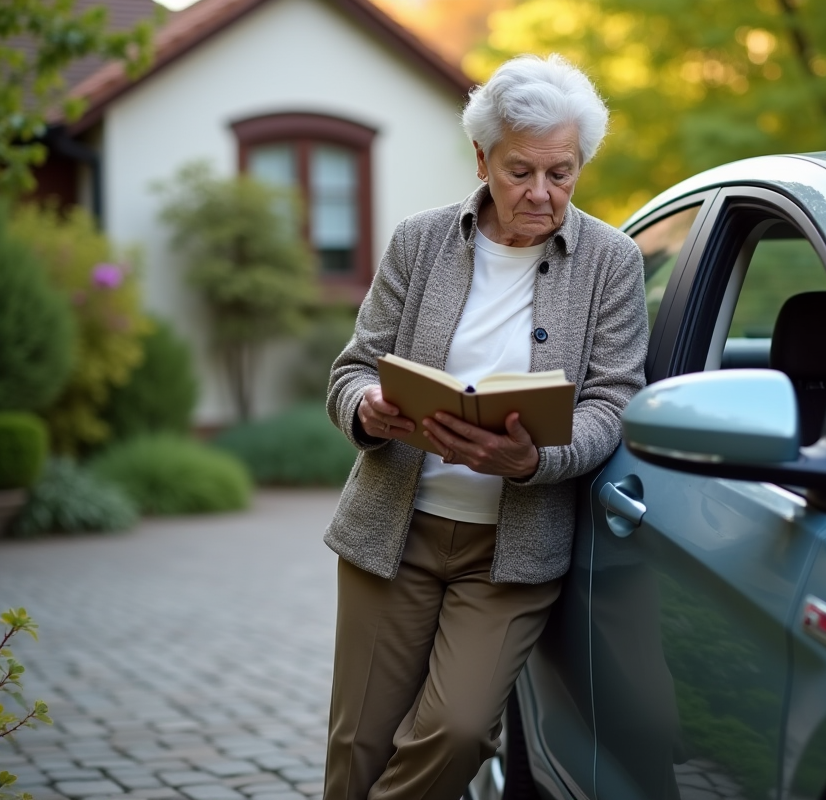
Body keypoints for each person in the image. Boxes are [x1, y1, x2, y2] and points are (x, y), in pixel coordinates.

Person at [321, 53, 649, 800]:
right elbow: (352, 370)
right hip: (392, 535)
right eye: (520, 171)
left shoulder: (612, 263)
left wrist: (535, 458)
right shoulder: (420, 241)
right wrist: (368, 408)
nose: (541, 193)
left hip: (512, 551)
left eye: (561, 173)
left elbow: (614, 405)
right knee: (359, 746)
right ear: (482, 157)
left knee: (461, 731)